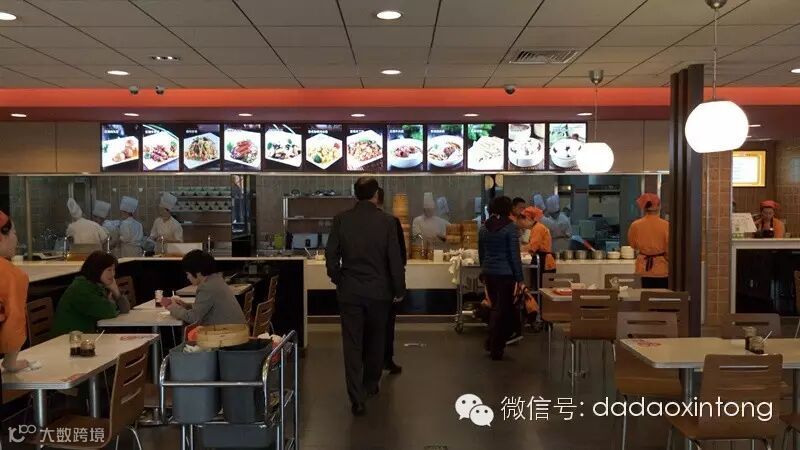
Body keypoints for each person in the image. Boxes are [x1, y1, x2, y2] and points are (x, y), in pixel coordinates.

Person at [325, 178, 405, 416]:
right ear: (376, 195)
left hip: (350, 291)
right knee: (376, 340)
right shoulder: (387, 222)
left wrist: (338, 278)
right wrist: (399, 289)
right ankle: (370, 384)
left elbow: (330, 255)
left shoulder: (341, 220)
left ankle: (356, 398)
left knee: (352, 344)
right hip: (379, 292)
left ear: (356, 195)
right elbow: (395, 259)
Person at [479, 196, 524, 361]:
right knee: (503, 310)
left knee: (495, 308)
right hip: (505, 275)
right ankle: (495, 347)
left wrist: (484, 270)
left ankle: (492, 342)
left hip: (489, 273)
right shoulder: (510, 227)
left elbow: (481, 252)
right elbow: (514, 255)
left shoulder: (484, 228)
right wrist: (520, 278)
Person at [52, 251, 131, 335]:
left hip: (84, 336)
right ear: (96, 270)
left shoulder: (98, 285)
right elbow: (109, 312)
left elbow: (125, 309)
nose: (113, 274)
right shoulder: (81, 288)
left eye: (113, 270)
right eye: (109, 270)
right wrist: (112, 303)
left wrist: (116, 291)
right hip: (67, 339)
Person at [163, 250, 246, 326]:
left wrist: (173, 308)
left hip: (228, 334)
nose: (187, 277)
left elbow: (194, 318)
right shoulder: (216, 279)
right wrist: (185, 305)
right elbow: (203, 308)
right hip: (237, 331)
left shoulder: (206, 288)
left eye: (188, 274)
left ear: (198, 273)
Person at [377, 187, 405, 375]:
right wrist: (399, 286)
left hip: (362, 286)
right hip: (387, 283)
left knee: (367, 327)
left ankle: (370, 362)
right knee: (387, 324)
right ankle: (386, 359)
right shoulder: (392, 222)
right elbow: (400, 256)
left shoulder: (350, 221)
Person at [0, 211, 30, 372]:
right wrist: (10, 363)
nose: (16, 239)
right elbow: (14, 324)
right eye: (14, 233)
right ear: (1, 235)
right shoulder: (12, 275)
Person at [628, 193, 669, 289]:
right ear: (659, 206)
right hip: (661, 269)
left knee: (642, 297)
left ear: (644, 208)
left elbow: (633, 245)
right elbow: (669, 249)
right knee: (661, 297)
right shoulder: (666, 225)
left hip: (642, 269)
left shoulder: (635, 225)